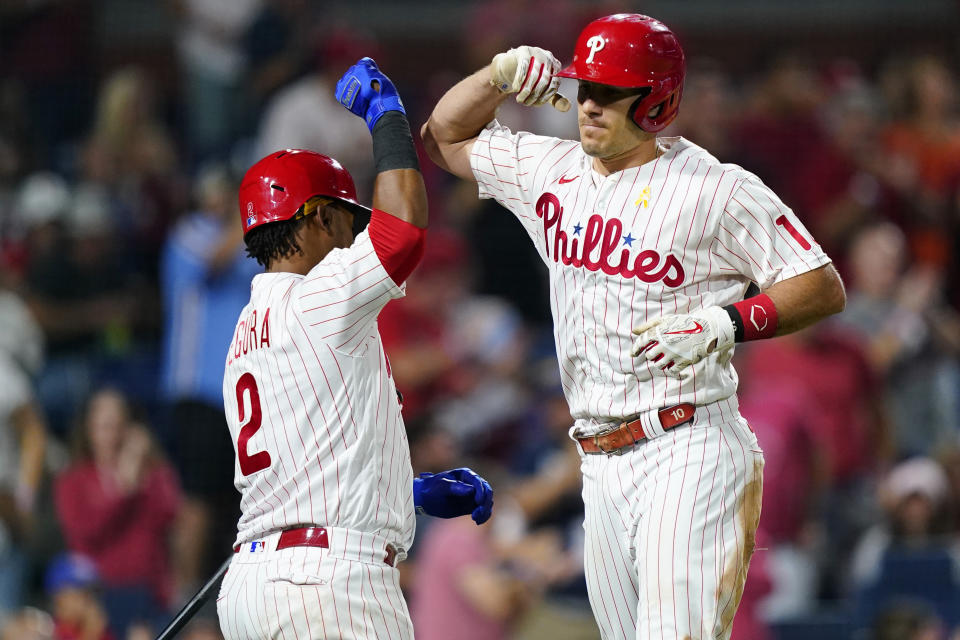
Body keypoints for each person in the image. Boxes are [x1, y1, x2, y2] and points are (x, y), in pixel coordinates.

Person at [422, 13, 846, 640]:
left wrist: (726, 323)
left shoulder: (717, 189)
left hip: (686, 443)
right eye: (584, 88)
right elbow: (442, 138)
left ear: (658, 101)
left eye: (610, 92)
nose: (588, 105)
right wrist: (497, 75)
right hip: (597, 459)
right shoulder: (551, 168)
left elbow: (820, 283)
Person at [216, 58, 494, 639]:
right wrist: (388, 118)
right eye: (347, 220)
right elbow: (404, 232)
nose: (354, 236)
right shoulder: (316, 298)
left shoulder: (246, 330)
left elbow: (310, 461)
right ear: (318, 217)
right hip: (329, 586)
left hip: (255, 583)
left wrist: (405, 493)